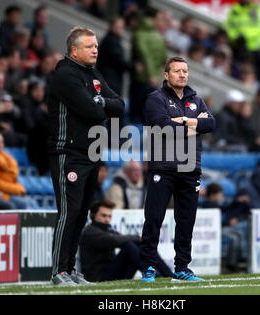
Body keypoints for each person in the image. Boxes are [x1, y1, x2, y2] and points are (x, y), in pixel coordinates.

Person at [46, 26, 125, 286]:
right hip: (68, 153)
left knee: (81, 213)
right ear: (74, 50)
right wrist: (101, 102)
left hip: (91, 154)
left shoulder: (92, 74)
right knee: (69, 212)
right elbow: (93, 111)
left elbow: (119, 105)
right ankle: (58, 271)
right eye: (90, 46)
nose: (95, 50)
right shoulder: (65, 75)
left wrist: (100, 101)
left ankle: (70, 269)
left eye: (96, 46)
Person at [139, 56, 215, 282]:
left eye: (185, 71)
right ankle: (148, 267)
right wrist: (194, 124)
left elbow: (211, 124)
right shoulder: (155, 98)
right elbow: (163, 127)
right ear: (166, 75)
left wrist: (182, 120)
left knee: (186, 221)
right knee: (154, 218)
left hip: (190, 168)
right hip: (162, 167)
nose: (182, 74)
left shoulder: (196, 99)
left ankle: (182, 267)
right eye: (177, 71)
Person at [79, 200, 173, 282]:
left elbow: (119, 239)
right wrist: (138, 237)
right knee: (129, 244)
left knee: (137, 245)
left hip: (112, 273)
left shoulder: (107, 230)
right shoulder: (89, 231)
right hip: (98, 278)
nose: (107, 220)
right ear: (93, 215)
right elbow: (114, 240)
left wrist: (139, 240)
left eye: (109, 216)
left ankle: (167, 274)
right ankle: (157, 274)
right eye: (103, 216)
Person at [0, 129, 38, 209]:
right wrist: (15, 189)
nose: (0, 144)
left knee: (32, 203)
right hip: (0, 193)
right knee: (25, 204)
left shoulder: (3, 156)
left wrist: (16, 189)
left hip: (8, 192)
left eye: (2, 142)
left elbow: (11, 179)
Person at [224, 0, 260, 85]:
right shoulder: (234, 8)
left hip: (253, 49)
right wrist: (236, 37)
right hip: (237, 46)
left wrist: (245, 36)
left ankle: (259, 85)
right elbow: (228, 26)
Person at [96, 16, 132, 96]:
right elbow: (118, 60)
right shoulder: (111, 41)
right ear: (111, 26)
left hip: (110, 80)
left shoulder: (113, 40)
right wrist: (134, 67)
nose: (119, 29)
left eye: (121, 27)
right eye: (117, 27)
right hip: (109, 81)